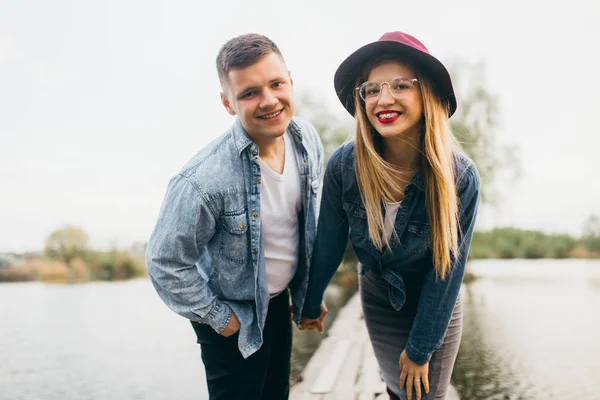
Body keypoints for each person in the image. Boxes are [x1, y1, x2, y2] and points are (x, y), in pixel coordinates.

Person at [300, 32, 481, 400]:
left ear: (426, 94)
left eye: (400, 85)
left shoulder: (459, 177)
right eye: (371, 89)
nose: (384, 99)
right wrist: (311, 298)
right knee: (395, 386)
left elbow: (446, 274)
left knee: (425, 394)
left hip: (434, 303)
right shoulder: (344, 167)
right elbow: (330, 244)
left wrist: (419, 350)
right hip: (379, 297)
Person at [145, 33, 324, 400]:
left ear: (290, 79)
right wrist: (219, 319)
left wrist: (309, 294)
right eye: (249, 93)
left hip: (277, 303)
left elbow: (302, 230)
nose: (269, 101)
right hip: (233, 314)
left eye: (276, 84)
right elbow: (164, 262)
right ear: (228, 103)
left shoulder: (306, 140)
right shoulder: (203, 180)